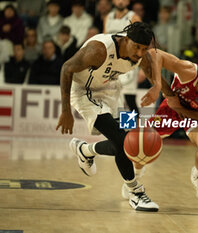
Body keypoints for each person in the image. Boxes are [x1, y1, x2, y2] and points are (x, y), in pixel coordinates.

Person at [56, 22, 161, 211]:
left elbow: (153, 74)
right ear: (126, 39)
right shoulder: (99, 50)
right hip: (84, 93)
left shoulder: (141, 55)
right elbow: (66, 68)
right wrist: (66, 111)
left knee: (130, 139)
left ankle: (85, 150)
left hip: (112, 92)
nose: (139, 53)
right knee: (123, 142)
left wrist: (160, 89)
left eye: (144, 49)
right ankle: (135, 192)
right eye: (137, 47)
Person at [120, 51, 198, 200]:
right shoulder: (188, 71)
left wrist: (180, 109)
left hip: (197, 116)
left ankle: (197, 175)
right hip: (170, 110)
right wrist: (158, 86)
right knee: (142, 142)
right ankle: (135, 177)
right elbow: (154, 54)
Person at [104, 0, 142, 114]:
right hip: (112, 62)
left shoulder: (133, 17)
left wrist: (143, 67)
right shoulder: (108, 17)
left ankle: (137, 129)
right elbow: (104, 40)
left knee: (128, 98)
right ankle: (122, 130)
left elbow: (142, 43)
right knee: (114, 99)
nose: (120, 1)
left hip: (128, 62)